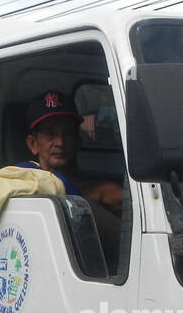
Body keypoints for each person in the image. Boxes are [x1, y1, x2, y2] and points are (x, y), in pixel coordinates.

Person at [13, 90, 123, 257]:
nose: (61, 142)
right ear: (33, 144)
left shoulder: (99, 189)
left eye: (68, 134)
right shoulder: (22, 182)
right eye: (50, 134)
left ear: (78, 141)